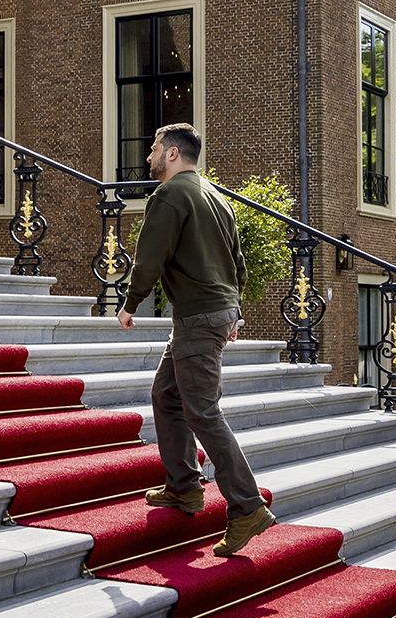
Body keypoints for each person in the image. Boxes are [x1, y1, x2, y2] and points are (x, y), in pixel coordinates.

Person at [117, 123, 276, 557]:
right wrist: (235, 309)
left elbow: (151, 254)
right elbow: (237, 261)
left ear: (171, 154)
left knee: (203, 412)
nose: (148, 155)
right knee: (166, 395)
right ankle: (184, 486)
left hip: (199, 318)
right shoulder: (216, 196)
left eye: (153, 148)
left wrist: (131, 302)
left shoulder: (169, 195)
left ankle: (246, 506)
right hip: (214, 312)